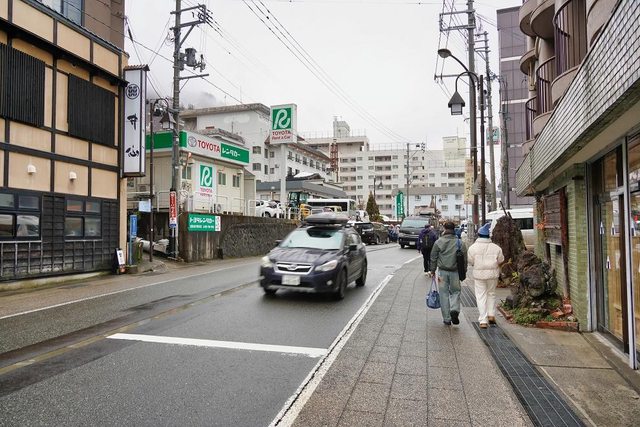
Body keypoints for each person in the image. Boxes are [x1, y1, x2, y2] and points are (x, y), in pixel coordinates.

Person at [467, 222, 504, 329]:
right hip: (493, 275)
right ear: (488, 236)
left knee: (481, 296)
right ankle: (491, 315)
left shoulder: (473, 248)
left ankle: (483, 320)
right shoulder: (496, 248)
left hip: (479, 275)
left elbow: (470, 261)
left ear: (478, 235)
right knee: (491, 293)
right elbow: (501, 260)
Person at [430, 221, 467, 326]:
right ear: (454, 229)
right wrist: (464, 272)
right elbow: (464, 260)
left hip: (442, 272)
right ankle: (454, 309)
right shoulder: (460, 243)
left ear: (444, 229)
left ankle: (447, 318)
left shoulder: (438, 242)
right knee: (456, 292)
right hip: (455, 272)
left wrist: (432, 270)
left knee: (443, 294)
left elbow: (433, 257)